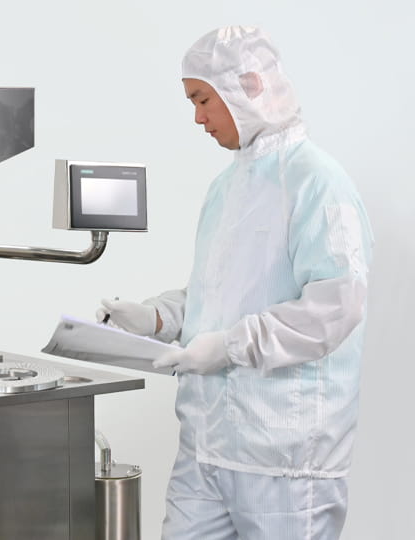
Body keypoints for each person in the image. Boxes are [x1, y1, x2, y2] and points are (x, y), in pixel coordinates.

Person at [97, 26, 373, 538]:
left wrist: (230, 346)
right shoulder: (226, 187)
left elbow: (336, 306)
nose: (197, 117)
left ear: (248, 86)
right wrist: (157, 317)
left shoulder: (319, 182)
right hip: (207, 445)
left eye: (202, 99)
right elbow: (215, 298)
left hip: (285, 458)